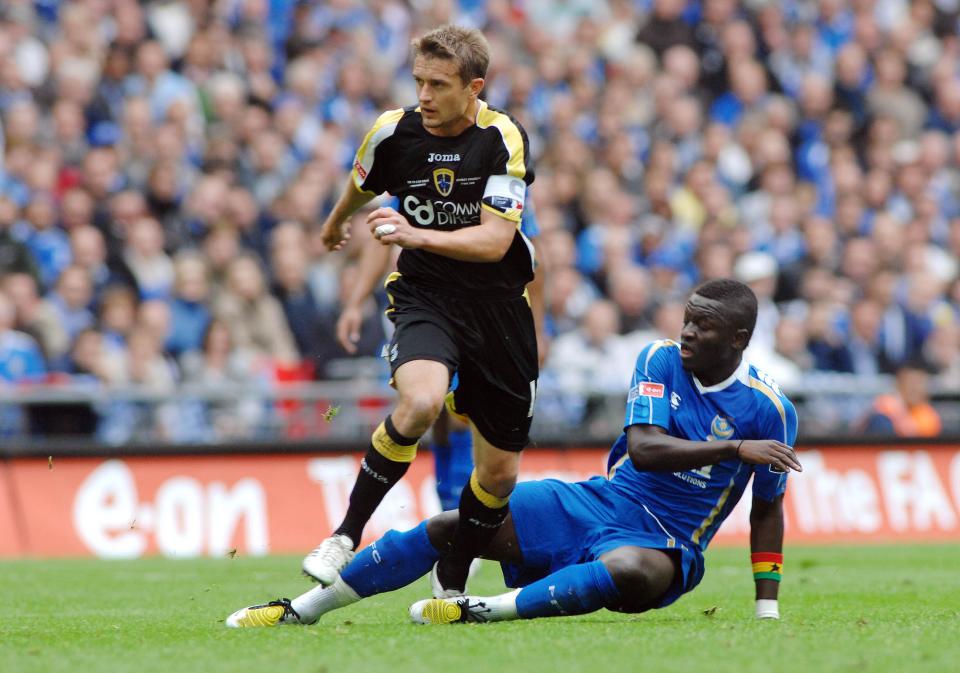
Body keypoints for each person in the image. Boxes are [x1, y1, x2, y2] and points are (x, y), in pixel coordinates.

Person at [226, 279, 802, 628]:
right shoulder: (657, 359)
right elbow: (645, 451)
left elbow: (767, 512)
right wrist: (734, 447)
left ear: (739, 340)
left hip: (667, 544)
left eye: (703, 327)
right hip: (603, 501)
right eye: (687, 320)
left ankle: (481, 608)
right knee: (457, 523)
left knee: (627, 569)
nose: (688, 334)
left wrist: (766, 610)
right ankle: (303, 608)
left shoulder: (770, 411)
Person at [302, 24, 539, 598]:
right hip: (424, 296)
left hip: (498, 310)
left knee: (499, 474)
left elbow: (495, 243)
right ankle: (345, 534)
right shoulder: (393, 131)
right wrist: (335, 223)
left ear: (474, 87)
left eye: (439, 84)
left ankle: (451, 578)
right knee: (423, 400)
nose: (425, 96)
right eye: (419, 82)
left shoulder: (502, 137)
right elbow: (362, 183)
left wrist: (415, 233)